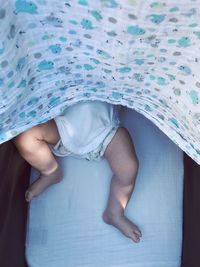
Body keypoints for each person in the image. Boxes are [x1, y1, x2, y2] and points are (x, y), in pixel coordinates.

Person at [13, 100, 142, 243]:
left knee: (128, 167)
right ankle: (50, 171)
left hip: (106, 131)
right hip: (64, 124)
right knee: (25, 137)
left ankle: (114, 213)